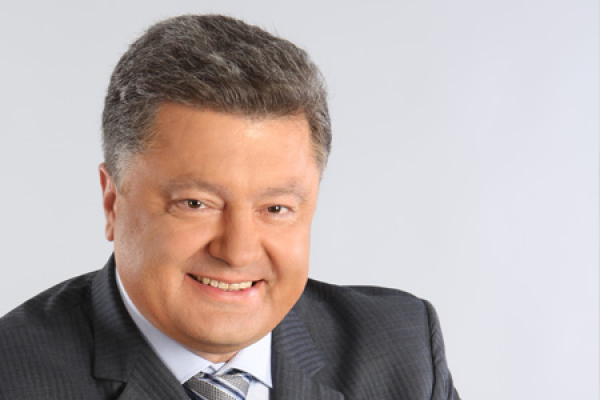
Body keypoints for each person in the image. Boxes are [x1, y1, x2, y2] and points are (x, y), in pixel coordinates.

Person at [0, 14, 459, 400]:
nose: (237, 252)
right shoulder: (12, 376)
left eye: (275, 208)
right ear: (111, 202)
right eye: (196, 203)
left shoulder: (401, 352)